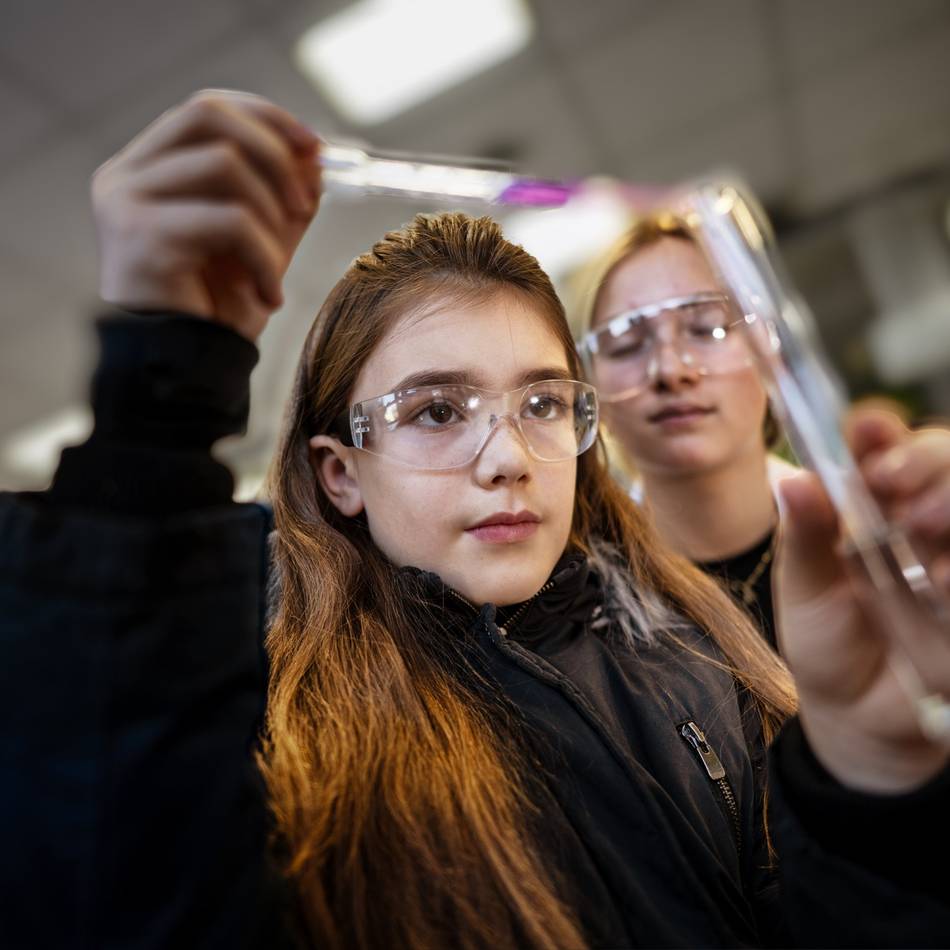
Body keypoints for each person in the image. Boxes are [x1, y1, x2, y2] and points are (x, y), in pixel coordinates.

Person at [3, 91, 950, 950]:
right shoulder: (270, 728)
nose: (507, 458)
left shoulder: (701, 658)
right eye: (437, 411)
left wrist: (876, 780)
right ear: (340, 476)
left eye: (541, 404)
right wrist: (158, 409)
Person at [577, 212, 800, 648]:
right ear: (592, 395)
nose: (671, 370)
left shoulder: (865, 538)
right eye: (626, 344)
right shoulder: (583, 616)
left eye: (708, 329)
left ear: (771, 355)